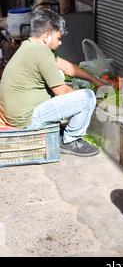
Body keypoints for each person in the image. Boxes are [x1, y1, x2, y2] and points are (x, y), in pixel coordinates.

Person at [0, 9, 107, 157]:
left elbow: (64, 65)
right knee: (87, 97)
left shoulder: (30, 45)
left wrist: (95, 80)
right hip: (26, 120)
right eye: (58, 38)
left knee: (61, 75)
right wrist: (96, 99)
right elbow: (62, 92)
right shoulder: (41, 53)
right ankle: (71, 140)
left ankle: (66, 132)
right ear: (46, 36)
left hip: (16, 113)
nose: (61, 42)